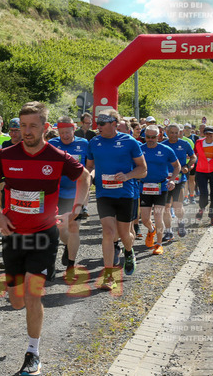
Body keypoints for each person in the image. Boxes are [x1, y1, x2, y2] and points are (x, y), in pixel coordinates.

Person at [0, 102, 89, 376]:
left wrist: (77, 209)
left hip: (43, 235)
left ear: (45, 127)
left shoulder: (57, 156)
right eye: (23, 125)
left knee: (33, 294)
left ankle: (33, 353)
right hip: (13, 235)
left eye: (33, 125)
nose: (27, 131)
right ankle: (26, 313)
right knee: (16, 301)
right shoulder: (6, 155)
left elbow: (84, 177)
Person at [85, 110, 147, 291]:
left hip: (125, 194)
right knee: (108, 233)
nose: (98, 127)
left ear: (114, 124)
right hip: (104, 194)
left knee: (125, 234)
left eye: (102, 124)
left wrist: (127, 176)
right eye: (97, 123)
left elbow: (143, 169)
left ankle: (128, 251)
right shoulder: (94, 142)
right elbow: (89, 167)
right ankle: (108, 276)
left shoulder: (129, 142)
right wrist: (90, 177)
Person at [47, 116, 89, 278]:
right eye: (62, 132)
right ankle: (67, 245)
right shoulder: (52, 144)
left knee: (74, 227)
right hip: (57, 193)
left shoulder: (84, 144)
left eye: (68, 132)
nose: (65, 136)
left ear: (74, 130)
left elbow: (90, 167)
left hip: (76, 193)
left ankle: (71, 265)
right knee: (60, 228)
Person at [138, 126, 180, 256]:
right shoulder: (139, 149)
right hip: (144, 187)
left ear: (159, 136)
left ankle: (159, 244)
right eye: (148, 137)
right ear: (144, 136)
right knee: (145, 219)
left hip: (161, 187)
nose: (150, 140)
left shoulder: (166, 150)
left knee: (158, 216)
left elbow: (177, 166)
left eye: (153, 137)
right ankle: (152, 230)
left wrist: (172, 180)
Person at [162, 124, 196, 239]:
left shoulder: (184, 144)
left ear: (180, 133)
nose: (174, 135)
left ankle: (181, 222)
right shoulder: (163, 145)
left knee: (177, 207)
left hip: (180, 179)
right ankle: (168, 231)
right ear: (167, 132)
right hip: (165, 180)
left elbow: (193, 157)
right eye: (172, 132)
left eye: (176, 133)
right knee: (166, 207)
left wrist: (187, 165)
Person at [183, 124, 199, 204]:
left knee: (192, 179)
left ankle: (192, 195)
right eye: (185, 128)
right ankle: (185, 197)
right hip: (183, 162)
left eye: (188, 128)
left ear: (191, 129)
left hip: (193, 161)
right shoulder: (180, 138)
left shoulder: (195, 138)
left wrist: (193, 156)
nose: (186, 129)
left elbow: (197, 150)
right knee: (185, 180)